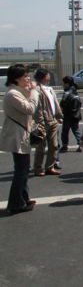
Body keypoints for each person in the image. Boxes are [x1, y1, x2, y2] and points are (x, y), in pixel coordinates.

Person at [0, 64, 39, 214]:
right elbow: (30, 108)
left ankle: (24, 198)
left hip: (21, 133)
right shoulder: (12, 94)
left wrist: (30, 90)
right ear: (16, 79)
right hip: (17, 135)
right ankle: (16, 204)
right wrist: (34, 92)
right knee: (21, 171)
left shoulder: (16, 91)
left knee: (23, 169)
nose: (28, 79)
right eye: (25, 76)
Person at [33, 68, 63, 176]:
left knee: (54, 145)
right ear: (44, 76)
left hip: (53, 120)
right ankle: (38, 168)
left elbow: (56, 104)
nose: (49, 76)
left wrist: (59, 116)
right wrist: (40, 121)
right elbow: (37, 107)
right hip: (41, 122)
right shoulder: (36, 90)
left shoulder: (50, 89)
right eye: (47, 75)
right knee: (40, 147)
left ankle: (50, 167)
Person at [59, 76, 82, 152]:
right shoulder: (75, 91)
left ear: (67, 84)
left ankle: (65, 146)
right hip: (76, 114)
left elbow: (62, 103)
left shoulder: (67, 93)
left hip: (68, 114)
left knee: (65, 131)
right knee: (76, 130)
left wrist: (60, 112)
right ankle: (80, 144)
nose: (63, 85)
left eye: (64, 83)